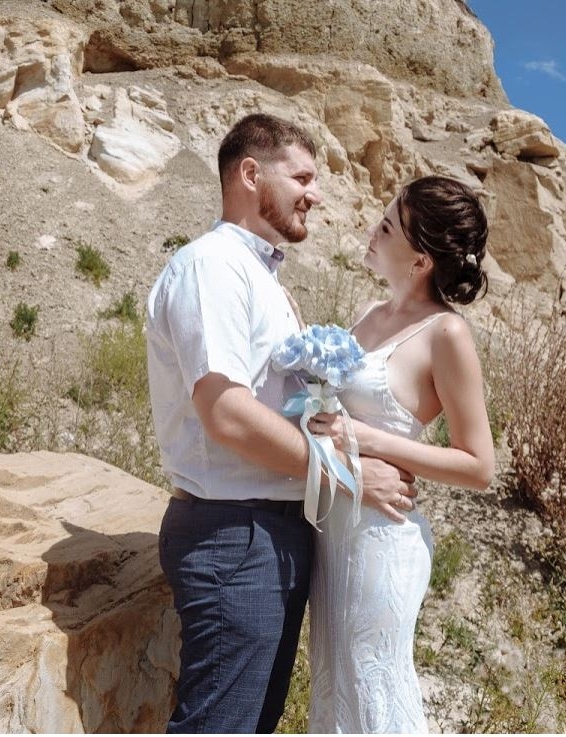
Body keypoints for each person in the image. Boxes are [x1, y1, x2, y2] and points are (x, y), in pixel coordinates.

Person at [145, 113, 417, 734]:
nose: (315, 194)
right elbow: (228, 414)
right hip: (234, 536)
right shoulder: (212, 265)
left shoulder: (260, 275)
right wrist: (350, 474)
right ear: (249, 174)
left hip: (267, 532)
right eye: (301, 177)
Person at [305, 176, 497, 733]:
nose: (372, 230)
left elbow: (479, 466)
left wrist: (372, 442)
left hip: (382, 539)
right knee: (334, 688)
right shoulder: (368, 313)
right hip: (334, 532)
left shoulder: (447, 334)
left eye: (387, 226)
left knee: (375, 689)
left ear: (419, 260)